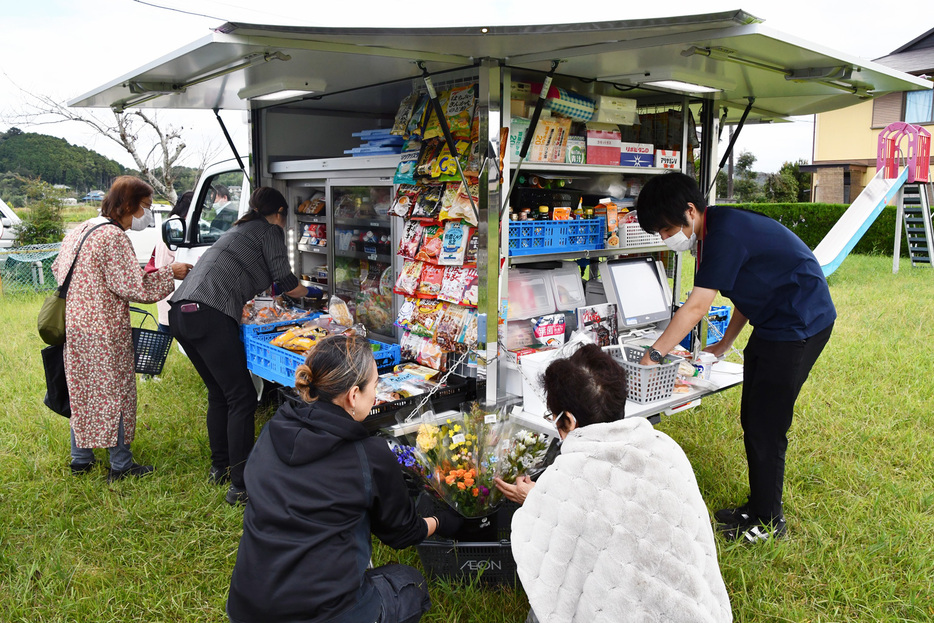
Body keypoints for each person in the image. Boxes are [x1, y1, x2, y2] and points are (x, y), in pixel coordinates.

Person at [634, 172, 835, 543]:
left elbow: (695, 307)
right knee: (753, 416)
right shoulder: (713, 234)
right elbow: (745, 288)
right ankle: (757, 507)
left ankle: (770, 523)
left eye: (665, 229)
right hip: (773, 323)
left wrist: (654, 354)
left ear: (689, 211)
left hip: (800, 324)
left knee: (767, 425)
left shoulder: (725, 234)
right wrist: (725, 343)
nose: (665, 238)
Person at [226, 335, 461, 623]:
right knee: (410, 584)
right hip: (320, 613)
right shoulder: (368, 454)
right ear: (353, 395)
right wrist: (441, 521)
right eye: (375, 386)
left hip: (247, 606)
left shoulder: (273, 429)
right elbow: (401, 533)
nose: (376, 394)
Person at [495, 345, 731, 623]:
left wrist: (536, 499)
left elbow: (557, 557)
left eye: (555, 418)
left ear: (569, 420)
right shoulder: (666, 448)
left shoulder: (567, 476)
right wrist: (546, 496)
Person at [169, 187, 320, 505]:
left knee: (220, 393)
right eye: (285, 217)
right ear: (280, 213)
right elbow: (286, 280)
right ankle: (240, 486)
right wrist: (316, 292)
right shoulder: (269, 230)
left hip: (181, 311)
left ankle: (220, 468)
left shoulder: (239, 228)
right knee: (242, 398)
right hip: (209, 313)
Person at [51, 176, 192, 482]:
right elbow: (134, 286)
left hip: (75, 325)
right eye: (145, 207)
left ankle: (81, 458)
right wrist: (173, 272)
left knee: (83, 392)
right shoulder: (113, 237)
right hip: (105, 329)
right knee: (114, 394)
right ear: (128, 205)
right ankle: (121, 464)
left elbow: (58, 270)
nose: (147, 215)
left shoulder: (81, 229)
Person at [153, 191, 193, 333]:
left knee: (165, 328)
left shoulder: (174, 222)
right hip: (170, 288)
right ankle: (151, 356)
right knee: (165, 329)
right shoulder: (177, 226)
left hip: (167, 287)